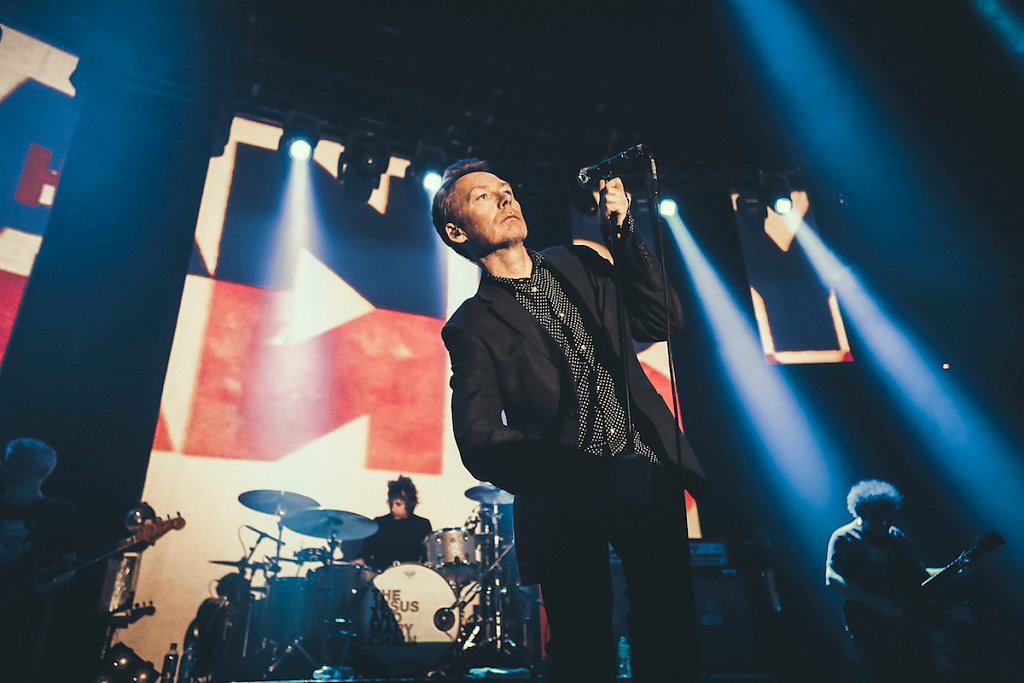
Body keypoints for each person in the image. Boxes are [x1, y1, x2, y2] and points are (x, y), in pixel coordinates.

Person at [434, 159, 707, 682]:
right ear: (456, 230)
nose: (506, 198)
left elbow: (661, 320)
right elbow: (480, 439)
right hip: (566, 494)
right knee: (584, 646)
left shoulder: (580, 263)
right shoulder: (472, 326)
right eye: (485, 197)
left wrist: (624, 235)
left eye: (507, 189)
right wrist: (575, 472)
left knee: (670, 630)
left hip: (647, 467)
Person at [825, 479, 933, 681]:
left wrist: (953, 570)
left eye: (888, 519)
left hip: (907, 624)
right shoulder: (846, 537)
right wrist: (877, 603)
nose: (884, 525)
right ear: (861, 514)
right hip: (870, 627)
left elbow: (919, 573)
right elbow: (832, 579)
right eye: (878, 520)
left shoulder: (895, 536)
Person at [0, 437, 80, 679]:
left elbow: (69, 565)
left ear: (41, 472)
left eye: (18, 463)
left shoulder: (59, 513)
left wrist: (37, 586)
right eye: (7, 460)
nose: (6, 467)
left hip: (23, 617)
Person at [354, 475, 432, 572]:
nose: (393, 509)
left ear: (410, 504)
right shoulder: (379, 523)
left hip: (411, 578)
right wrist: (360, 560)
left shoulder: (422, 525)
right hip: (382, 578)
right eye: (391, 504)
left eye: (398, 504)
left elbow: (428, 558)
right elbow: (365, 552)